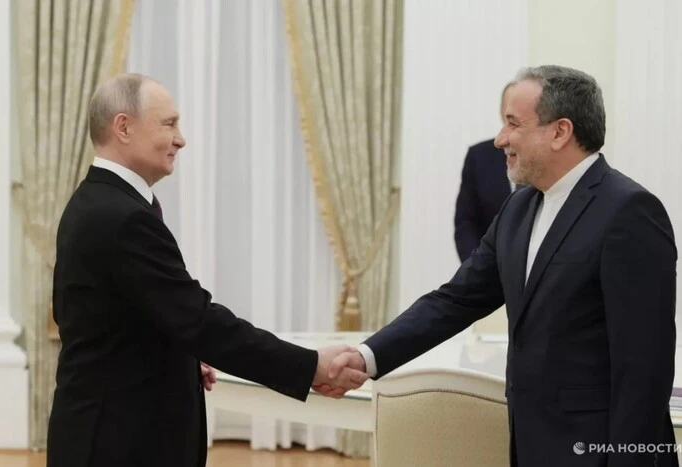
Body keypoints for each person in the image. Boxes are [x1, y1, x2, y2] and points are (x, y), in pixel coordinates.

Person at [330, 65, 678, 467]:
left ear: (560, 132)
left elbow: (644, 369)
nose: (500, 139)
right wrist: (367, 356)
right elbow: (455, 300)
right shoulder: (518, 208)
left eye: (513, 123)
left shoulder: (629, 211)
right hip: (530, 444)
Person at [46, 73, 367, 467]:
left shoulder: (99, 201)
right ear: (123, 127)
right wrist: (312, 365)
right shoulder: (120, 216)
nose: (180, 139)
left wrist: (177, 357)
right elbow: (198, 321)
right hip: (117, 443)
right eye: (169, 124)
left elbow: (114, 318)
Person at [454, 82, 521, 262]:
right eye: (510, 115)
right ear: (501, 113)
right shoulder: (479, 156)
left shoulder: (546, 156)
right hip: (489, 268)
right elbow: (466, 222)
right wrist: (476, 267)